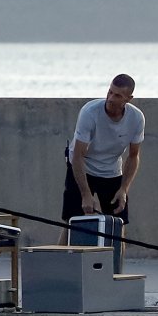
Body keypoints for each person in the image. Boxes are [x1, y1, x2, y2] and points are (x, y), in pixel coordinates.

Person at [59, 74, 145, 244]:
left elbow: (133, 156)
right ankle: (60, 263)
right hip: (83, 166)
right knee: (72, 221)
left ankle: (115, 268)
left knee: (118, 223)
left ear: (129, 99)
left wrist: (124, 190)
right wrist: (85, 194)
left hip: (111, 170)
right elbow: (77, 155)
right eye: (110, 92)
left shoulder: (136, 118)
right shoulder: (90, 112)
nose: (111, 98)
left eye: (118, 95)